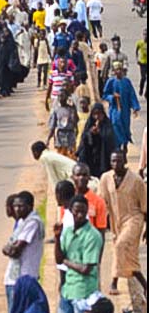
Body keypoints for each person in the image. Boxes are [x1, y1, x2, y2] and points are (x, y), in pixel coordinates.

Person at [98, 150, 147, 301]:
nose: (116, 164)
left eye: (119, 161)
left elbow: (144, 205)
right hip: (116, 221)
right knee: (127, 253)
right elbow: (102, 201)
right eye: (113, 161)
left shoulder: (136, 180)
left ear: (124, 161)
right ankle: (142, 284)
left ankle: (115, 281)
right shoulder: (106, 178)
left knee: (121, 245)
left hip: (134, 218)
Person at [54, 195, 103, 313]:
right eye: (77, 211)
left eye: (83, 211)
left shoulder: (92, 235)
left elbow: (85, 269)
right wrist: (57, 237)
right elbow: (58, 259)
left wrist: (65, 261)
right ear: (71, 210)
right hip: (68, 290)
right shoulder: (67, 231)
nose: (80, 215)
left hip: (84, 293)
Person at [2, 191, 44, 312]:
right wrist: (8, 248)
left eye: (21, 206)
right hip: (14, 276)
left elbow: (15, 250)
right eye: (15, 206)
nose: (17, 209)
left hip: (24, 278)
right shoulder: (21, 222)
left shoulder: (33, 222)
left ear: (30, 206)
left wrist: (9, 248)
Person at [102, 62, 140, 150]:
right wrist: (112, 97)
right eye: (116, 70)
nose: (118, 72)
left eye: (120, 69)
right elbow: (105, 95)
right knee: (115, 126)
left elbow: (132, 95)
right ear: (114, 71)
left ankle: (125, 144)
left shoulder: (127, 82)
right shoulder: (111, 82)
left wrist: (135, 107)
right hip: (115, 110)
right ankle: (117, 147)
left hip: (125, 110)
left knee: (125, 127)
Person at [47, 91, 79, 158]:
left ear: (67, 97)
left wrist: (74, 109)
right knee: (61, 157)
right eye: (59, 96)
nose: (61, 98)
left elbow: (75, 122)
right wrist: (48, 139)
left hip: (70, 134)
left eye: (63, 96)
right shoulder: (56, 110)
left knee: (71, 156)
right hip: (60, 135)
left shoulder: (71, 109)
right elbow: (53, 125)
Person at [136, 28, 147, 97]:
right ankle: (141, 88)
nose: (146, 36)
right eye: (145, 34)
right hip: (142, 63)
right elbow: (136, 51)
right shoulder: (140, 43)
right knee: (143, 77)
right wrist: (137, 59)